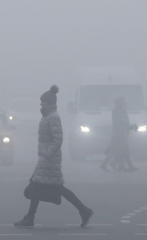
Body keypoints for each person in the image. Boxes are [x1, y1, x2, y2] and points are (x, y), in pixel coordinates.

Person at [14, 85, 94, 227]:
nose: (41, 103)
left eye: (43, 101)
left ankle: (30, 218)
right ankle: (84, 210)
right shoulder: (48, 116)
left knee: (40, 187)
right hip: (47, 159)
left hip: (49, 160)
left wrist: (47, 154)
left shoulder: (53, 117)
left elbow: (58, 139)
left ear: (49, 102)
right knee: (53, 188)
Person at [100, 97, 138, 172]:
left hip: (120, 133)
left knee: (118, 151)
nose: (125, 103)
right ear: (120, 103)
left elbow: (123, 124)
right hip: (119, 134)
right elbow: (122, 124)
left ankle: (116, 165)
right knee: (124, 150)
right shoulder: (118, 111)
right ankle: (125, 166)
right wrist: (132, 127)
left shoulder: (121, 111)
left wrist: (130, 127)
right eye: (124, 102)